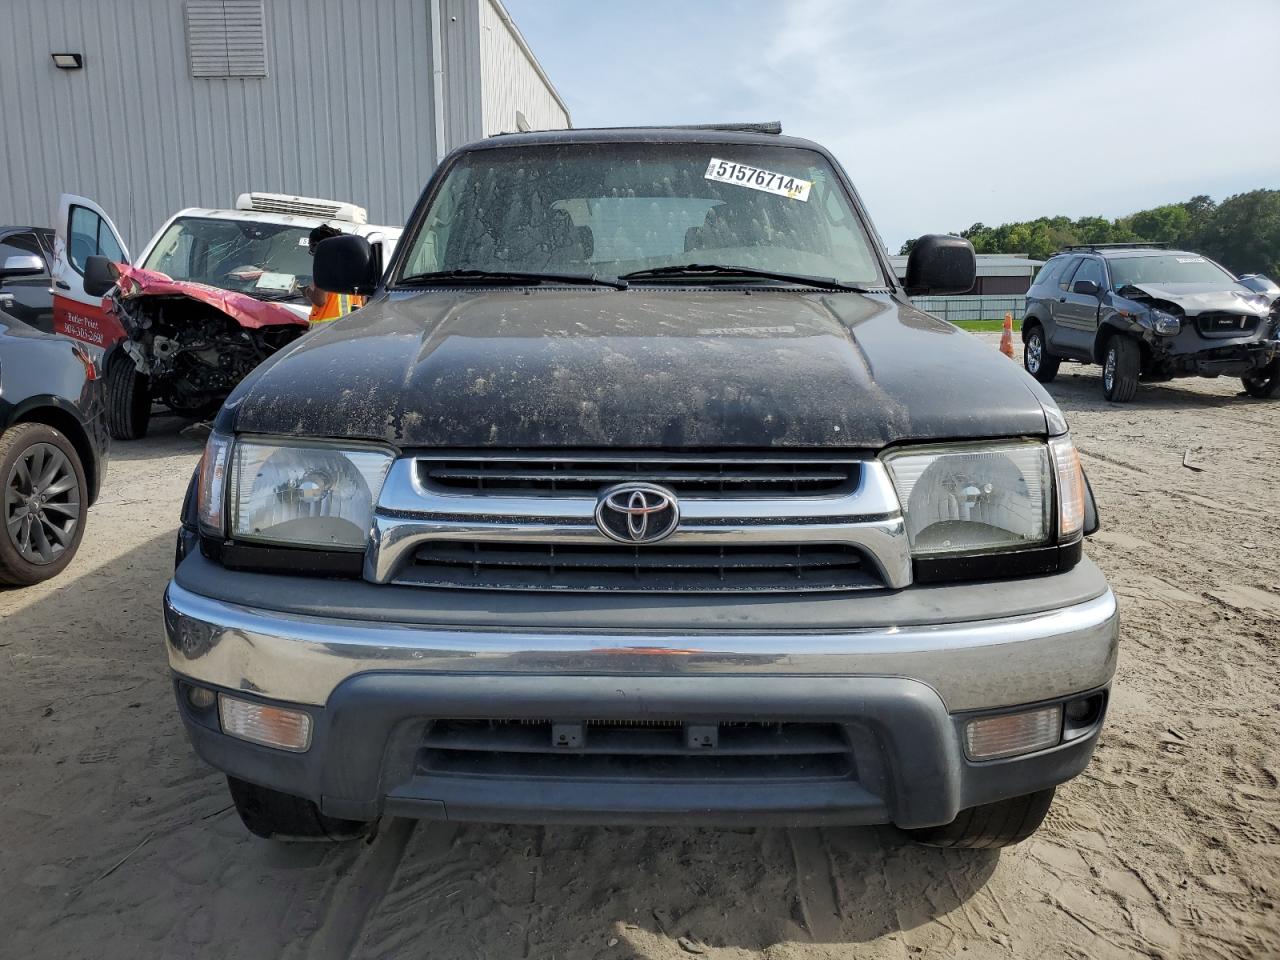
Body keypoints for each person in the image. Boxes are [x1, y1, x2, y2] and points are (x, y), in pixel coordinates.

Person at [304, 224, 364, 324]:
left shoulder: (324, 265)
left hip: (327, 329)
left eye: (312, 246)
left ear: (320, 245)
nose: (312, 250)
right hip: (353, 324)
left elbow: (320, 300)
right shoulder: (354, 264)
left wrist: (307, 291)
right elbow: (364, 299)